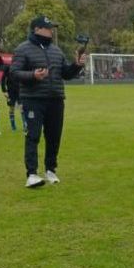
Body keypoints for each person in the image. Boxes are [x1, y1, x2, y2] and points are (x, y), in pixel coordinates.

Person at [10, 15, 86, 188]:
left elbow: (65, 74)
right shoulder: (23, 49)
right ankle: (32, 174)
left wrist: (76, 65)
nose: (51, 30)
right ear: (37, 29)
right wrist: (33, 76)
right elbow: (14, 73)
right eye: (48, 27)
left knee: (54, 137)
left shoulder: (56, 50)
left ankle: (51, 170)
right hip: (33, 100)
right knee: (33, 136)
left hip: (56, 99)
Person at [1, 56, 23, 132]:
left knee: (22, 108)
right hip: (10, 91)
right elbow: (3, 79)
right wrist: (4, 91)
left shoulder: (21, 67)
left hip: (20, 91)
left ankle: (25, 126)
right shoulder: (8, 68)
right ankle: (13, 126)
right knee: (11, 108)